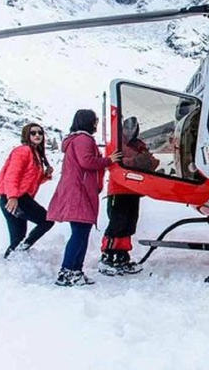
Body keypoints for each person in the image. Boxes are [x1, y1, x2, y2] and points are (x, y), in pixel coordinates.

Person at [47, 109, 121, 287]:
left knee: (81, 232)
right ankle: (67, 271)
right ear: (88, 122)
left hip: (77, 190)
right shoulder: (84, 139)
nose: (96, 124)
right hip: (79, 192)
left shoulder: (76, 139)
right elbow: (87, 161)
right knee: (79, 233)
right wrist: (109, 160)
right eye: (95, 121)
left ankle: (75, 271)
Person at [99, 116, 159, 276]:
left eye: (133, 127)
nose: (130, 130)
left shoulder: (139, 144)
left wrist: (147, 161)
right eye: (127, 127)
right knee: (116, 224)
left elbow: (152, 162)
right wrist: (137, 161)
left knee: (129, 224)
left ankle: (122, 257)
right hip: (118, 189)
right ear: (122, 128)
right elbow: (116, 163)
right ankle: (107, 256)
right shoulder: (117, 143)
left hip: (134, 190)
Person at [0, 123, 55, 258]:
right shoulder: (23, 151)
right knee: (47, 220)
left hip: (14, 198)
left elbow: (29, 180)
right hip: (16, 199)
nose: (37, 135)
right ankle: (22, 249)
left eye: (40, 133)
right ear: (27, 135)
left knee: (17, 238)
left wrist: (45, 175)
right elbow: (12, 175)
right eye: (33, 133)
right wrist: (12, 197)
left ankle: (11, 261)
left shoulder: (35, 153)